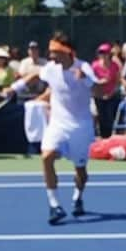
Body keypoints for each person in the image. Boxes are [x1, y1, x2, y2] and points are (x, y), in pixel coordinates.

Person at [7, 32, 101, 224]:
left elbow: (99, 90)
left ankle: (77, 197)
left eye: (55, 52)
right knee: (47, 156)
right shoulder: (50, 68)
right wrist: (14, 88)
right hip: (58, 123)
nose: (51, 56)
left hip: (81, 127)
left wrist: (86, 79)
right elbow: (33, 76)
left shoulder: (84, 67)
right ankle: (54, 205)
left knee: (80, 171)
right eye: (50, 52)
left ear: (68, 52)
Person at [91, 43, 121, 139]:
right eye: (101, 53)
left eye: (105, 53)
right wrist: (100, 83)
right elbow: (92, 81)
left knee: (110, 117)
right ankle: (103, 138)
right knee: (101, 118)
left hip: (111, 96)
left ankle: (110, 138)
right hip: (98, 95)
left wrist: (110, 94)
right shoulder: (95, 66)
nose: (103, 55)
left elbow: (117, 81)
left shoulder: (114, 66)